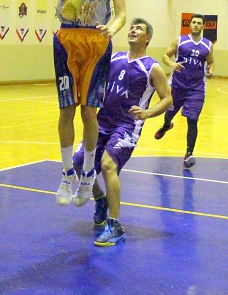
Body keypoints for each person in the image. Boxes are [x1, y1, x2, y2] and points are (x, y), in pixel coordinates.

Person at [42, 0, 127, 208]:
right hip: (67, 37)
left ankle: (88, 175)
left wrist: (113, 28)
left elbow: (121, 12)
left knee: (89, 111)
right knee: (66, 109)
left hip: (96, 41)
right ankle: (67, 174)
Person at [72, 18, 172, 246]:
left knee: (108, 165)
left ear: (147, 38)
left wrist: (147, 113)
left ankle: (114, 225)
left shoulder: (152, 67)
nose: (133, 30)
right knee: (78, 162)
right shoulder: (114, 58)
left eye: (139, 29)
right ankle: (100, 199)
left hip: (127, 126)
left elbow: (167, 99)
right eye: (132, 28)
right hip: (102, 122)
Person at [154, 14, 215, 168]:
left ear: (203, 26)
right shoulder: (180, 41)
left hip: (196, 89)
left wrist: (210, 70)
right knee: (169, 114)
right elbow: (165, 56)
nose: (196, 25)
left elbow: (211, 62)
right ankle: (166, 126)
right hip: (177, 86)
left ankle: (189, 153)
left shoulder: (207, 45)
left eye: (199, 23)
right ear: (190, 24)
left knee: (192, 120)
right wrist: (172, 64)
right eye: (193, 22)